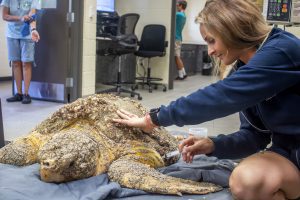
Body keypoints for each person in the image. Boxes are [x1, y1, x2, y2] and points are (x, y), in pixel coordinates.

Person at [112, 0, 300, 199]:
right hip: (286, 154)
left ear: (232, 31)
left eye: (212, 40)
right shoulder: (243, 69)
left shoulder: (282, 50)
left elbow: (222, 96)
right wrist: (213, 145)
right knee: (247, 182)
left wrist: (153, 119)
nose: (210, 51)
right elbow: (255, 137)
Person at [1, 0, 40, 104]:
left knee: (26, 63)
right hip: (11, 34)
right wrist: (21, 18)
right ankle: (19, 94)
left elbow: (32, 16)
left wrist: (33, 30)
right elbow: (4, 16)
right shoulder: (7, 0)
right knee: (15, 63)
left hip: (27, 34)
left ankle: (26, 94)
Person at [175, 0, 187, 80]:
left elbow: (170, 13)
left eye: (177, 5)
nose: (176, 6)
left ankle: (181, 75)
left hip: (176, 38)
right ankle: (183, 73)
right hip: (178, 38)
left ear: (181, 6)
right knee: (177, 57)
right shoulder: (183, 15)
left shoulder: (178, 14)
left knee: (177, 57)